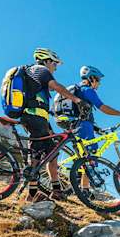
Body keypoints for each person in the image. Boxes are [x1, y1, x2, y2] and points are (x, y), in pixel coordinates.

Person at [22, 47, 83, 201]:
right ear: (47, 60)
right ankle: (32, 194)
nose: (55, 67)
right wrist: (77, 100)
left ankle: (56, 191)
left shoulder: (34, 74)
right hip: (34, 117)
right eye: (55, 64)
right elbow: (57, 87)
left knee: (52, 151)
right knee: (37, 152)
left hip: (40, 118)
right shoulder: (41, 70)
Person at [71, 65, 120, 194]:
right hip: (83, 126)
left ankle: (82, 186)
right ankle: (85, 189)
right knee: (91, 155)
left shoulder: (80, 90)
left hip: (77, 124)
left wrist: (95, 128)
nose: (99, 83)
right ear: (91, 78)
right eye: (98, 79)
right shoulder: (87, 90)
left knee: (84, 156)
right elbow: (102, 107)